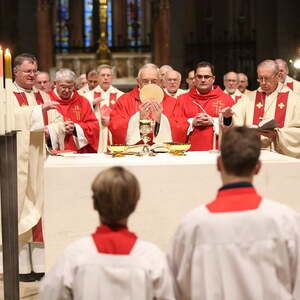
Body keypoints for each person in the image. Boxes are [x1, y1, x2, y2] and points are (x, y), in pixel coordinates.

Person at [169, 126, 300, 300]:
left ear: (218, 164)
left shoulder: (193, 225)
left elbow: (177, 289)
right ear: (258, 167)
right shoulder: (285, 221)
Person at [39, 166, 174, 300]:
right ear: (135, 205)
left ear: (94, 204)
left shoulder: (75, 255)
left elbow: (49, 294)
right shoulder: (152, 258)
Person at [7, 53, 64, 281]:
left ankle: (40, 264)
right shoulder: (6, 96)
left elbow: (57, 119)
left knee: (42, 208)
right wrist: (37, 113)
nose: (32, 75)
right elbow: (8, 118)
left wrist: (55, 128)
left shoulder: (42, 95)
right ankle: (20, 266)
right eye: (27, 71)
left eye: (34, 70)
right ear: (16, 72)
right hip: (17, 161)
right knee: (20, 206)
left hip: (41, 160)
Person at [223, 59, 300, 158]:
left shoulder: (294, 100)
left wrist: (278, 135)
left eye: (267, 78)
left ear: (278, 76)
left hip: (281, 156)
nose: (263, 82)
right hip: (252, 155)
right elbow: (234, 120)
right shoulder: (248, 98)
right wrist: (227, 117)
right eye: (260, 78)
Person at [109, 64, 186, 145]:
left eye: (154, 81)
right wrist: (138, 118)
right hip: (134, 153)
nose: (150, 84)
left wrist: (161, 119)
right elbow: (115, 126)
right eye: (145, 81)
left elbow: (182, 128)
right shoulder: (124, 100)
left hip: (162, 153)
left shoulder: (173, 103)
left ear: (160, 82)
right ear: (138, 82)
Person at [177, 61, 234, 151]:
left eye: (206, 77)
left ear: (213, 79)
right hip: (189, 152)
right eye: (199, 76)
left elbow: (235, 128)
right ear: (194, 79)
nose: (203, 80)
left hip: (218, 151)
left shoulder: (226, 99)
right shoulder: (182, 99)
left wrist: (214, 121)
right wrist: (192, 122)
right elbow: (175, 125)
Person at [48, 68, 100, 153]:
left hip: (78, 152)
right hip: (53, 152)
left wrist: (76, 128)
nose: (67, 90)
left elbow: (94, 126)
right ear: (55, 84)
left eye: (70, 87)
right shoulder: (46, 100)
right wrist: (57, 128)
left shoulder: (82, 101)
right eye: (63, 87)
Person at [84, 64, 124, 152]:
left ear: (112, 77)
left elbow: (124, 118)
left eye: (108, 75)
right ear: (98, 77)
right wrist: (92, 105)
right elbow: (84, 118)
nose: (105, 78)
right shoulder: (88, 96)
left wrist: (112, 122)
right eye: (103, 75)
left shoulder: (121, 96)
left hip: (113, 136)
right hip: (95, 137)